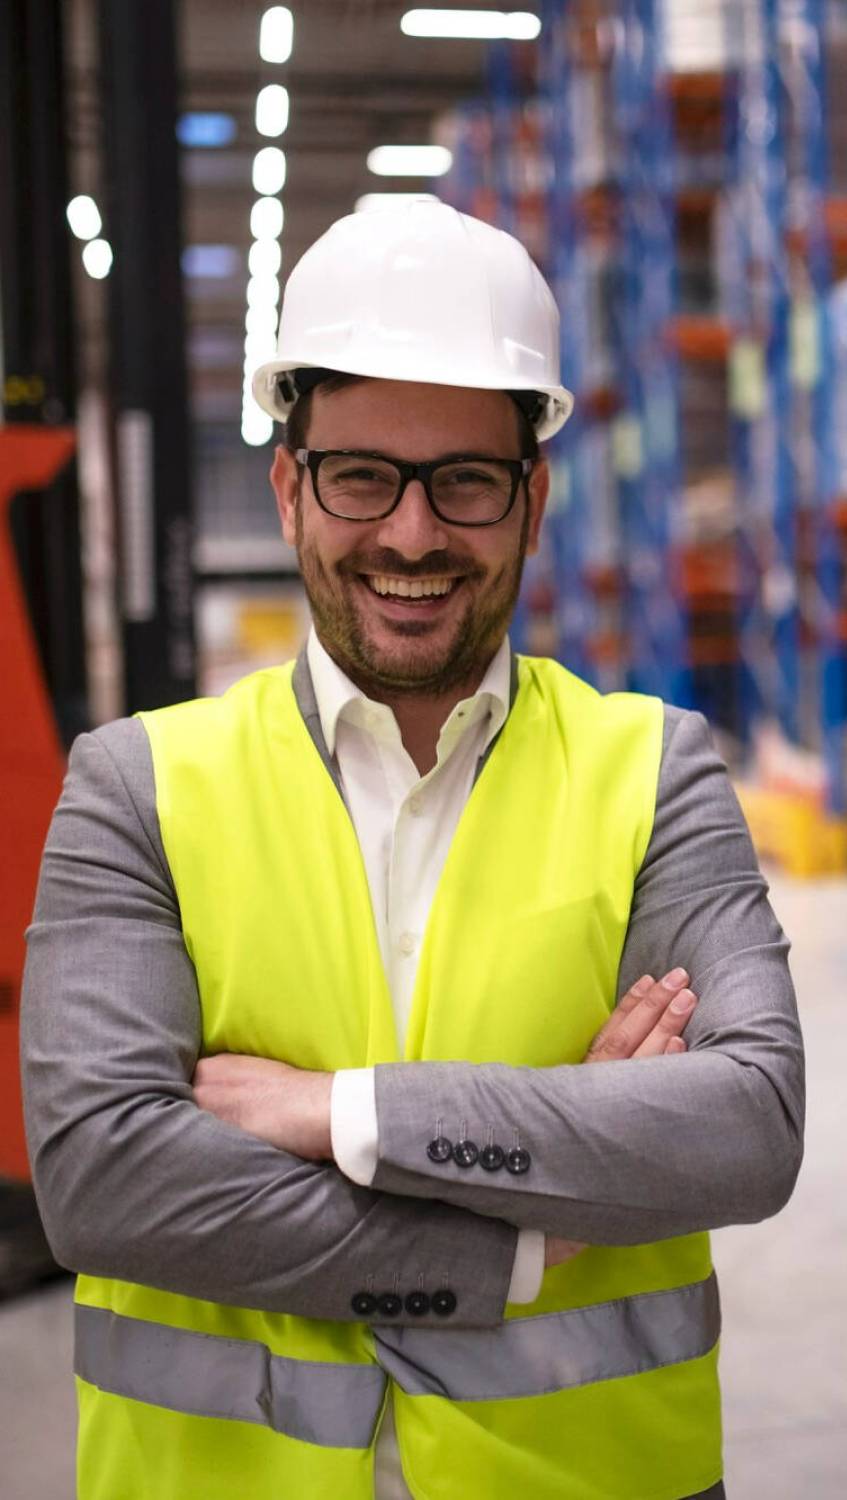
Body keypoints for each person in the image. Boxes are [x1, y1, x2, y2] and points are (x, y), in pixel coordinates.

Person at [20, 200, 805, 1500]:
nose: (412, 534)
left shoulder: (653, 770)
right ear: (289, 488)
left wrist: (343, 1113)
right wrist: (519, 1235)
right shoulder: (139, 786)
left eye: (467, 481)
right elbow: (105, 1179)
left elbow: (748, 1130)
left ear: (533, 500)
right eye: (362, 475)